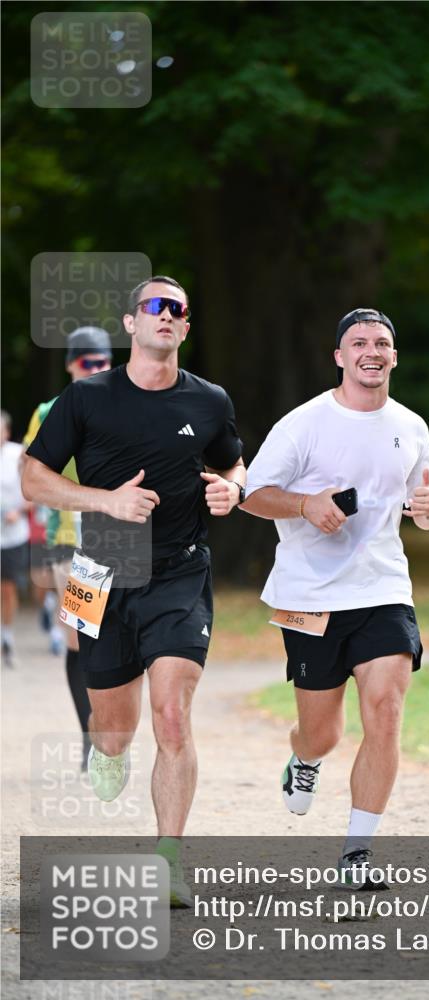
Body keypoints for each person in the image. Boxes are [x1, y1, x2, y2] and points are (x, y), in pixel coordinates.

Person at [22, 276, 245, 905]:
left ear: (185, 327)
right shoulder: (86, 397)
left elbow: (233, 460)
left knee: (172, 714)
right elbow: (34, 479)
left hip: (181, 570)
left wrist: (233, 488)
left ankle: (169, 859)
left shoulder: (209, 401)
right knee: (112, 729)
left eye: (178, 309)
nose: (167, 316)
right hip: (97, 569)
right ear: (131, 323)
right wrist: (106, 501)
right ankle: (107, 750)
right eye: (155, 306)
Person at [241, 307, 429, 887]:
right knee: (323, 732)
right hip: (309, 594)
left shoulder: (410, 425)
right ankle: (304, 759)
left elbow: (427, 502)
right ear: (339, 356)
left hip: (383, 588)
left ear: (394, 356)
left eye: (382, 342)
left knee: (385, 710)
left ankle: (356, 853)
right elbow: (251, 495)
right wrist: (307, 504)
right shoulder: (303, 424)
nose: (371, 351)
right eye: (359, 342)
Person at [23, 327, 113, 763]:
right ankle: (91, 737)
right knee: (84, 638)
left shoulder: (131, 400)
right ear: (70, 365)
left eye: (102, 362)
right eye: (87, 363)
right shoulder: (49, 411)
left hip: (130, 538)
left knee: (118, 635)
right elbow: (35, 476)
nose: (96, 370)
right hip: (76, 545)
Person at [1, 411, 30, 668]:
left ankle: (7, 637)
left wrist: (17, 511)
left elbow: (33, 491)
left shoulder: (18, 454)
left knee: (8, 589)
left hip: (13, 535)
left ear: (7, 432)